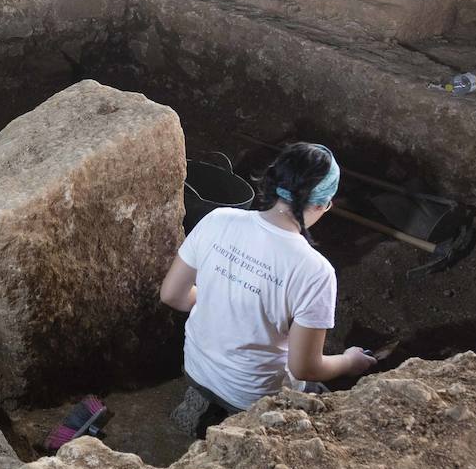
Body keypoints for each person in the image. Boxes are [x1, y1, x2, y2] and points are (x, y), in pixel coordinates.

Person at [159, 143, 376, 438]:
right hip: (253, 395)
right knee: (324, 405)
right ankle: (249, 428)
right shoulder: (315, 271)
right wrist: (350, 361)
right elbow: (304, 368)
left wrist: (219, 303)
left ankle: (201, 403)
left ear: (273, 183)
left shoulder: (218, 220)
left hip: (196, 368)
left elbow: (172, 295)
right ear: (321, 205)